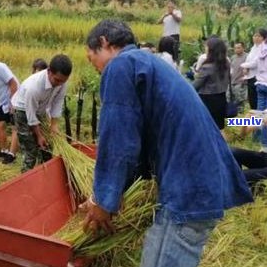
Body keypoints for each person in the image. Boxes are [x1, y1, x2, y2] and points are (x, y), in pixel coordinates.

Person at [80, 19, 253, 267]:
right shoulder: (148, 62)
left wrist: (103, 201)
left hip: (188, 188)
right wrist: (110, 194)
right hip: (195, 183)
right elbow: (137, 140)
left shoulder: (120, 66)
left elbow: (118, 141)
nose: (96, 68)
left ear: (104, 42)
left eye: (91, 58)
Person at [11, 54, 72, 172]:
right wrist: (39, 136)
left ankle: (45, 175)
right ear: (49, 71)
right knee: (31, 150)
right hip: (23, 111)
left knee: (47, 147)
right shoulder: (33, 87)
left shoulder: (62, 82)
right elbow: (31, 116)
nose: (59, 84)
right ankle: (26, 180)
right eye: (57, 80)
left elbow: (57, 103)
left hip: (40, 110)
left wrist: (54, 125)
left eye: (63, 81)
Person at [193, 37, 230, 130]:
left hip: (207, 100)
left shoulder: (207, 67)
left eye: (206, 47)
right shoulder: (226, 63)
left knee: (206, 128)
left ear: (211, 49)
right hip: (221, 97)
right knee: (219, 128)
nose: (205, 49)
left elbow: (196, 85)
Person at [240, 29, 267, 110]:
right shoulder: (254, 48)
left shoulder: (263, 49)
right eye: (255, 36)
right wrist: (245, 66)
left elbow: (255, 63)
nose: (256, 38)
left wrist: (243, 65)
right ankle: (256, 120)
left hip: (258, 78)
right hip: (251, 77)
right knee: (253, 101)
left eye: (259, 36)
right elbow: (249, 60)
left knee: (258, 103)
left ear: (264, 38)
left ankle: (260, 120)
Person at [229, 42, 248, 113]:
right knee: (232, 98)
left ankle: (241, 113)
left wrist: (244, 78)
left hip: (242, 81)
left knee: (240, 98)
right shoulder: (233, 57)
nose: (236, 49)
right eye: (235, 48)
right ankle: (235, 113)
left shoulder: (247, 56)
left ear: (243, 48)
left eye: (238, 48)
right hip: (232, 80)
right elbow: (231, 68)